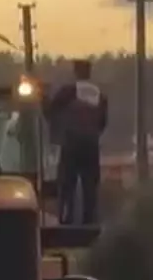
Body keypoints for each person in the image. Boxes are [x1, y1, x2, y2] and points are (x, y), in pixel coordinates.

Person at [46, 58, 109, 225]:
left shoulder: (69, 91)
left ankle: (67, 219)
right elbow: (103, 122)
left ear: (76, 72)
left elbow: (51, 110)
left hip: (72, 144)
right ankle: (90, 220)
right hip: (91, 145)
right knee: (90, 185)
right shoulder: (99, 94)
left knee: (67, 183)